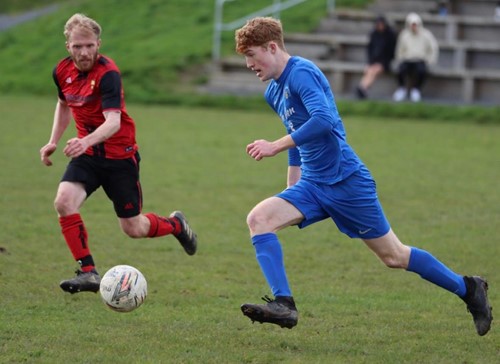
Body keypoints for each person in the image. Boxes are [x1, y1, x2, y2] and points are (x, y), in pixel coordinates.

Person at [234, 17, 492, 336]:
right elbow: (297, 132)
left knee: (394, 256)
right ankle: (283, 304)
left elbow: (323, 120)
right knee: (259, 219)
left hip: (346, 182)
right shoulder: (272, 92)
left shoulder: (301, 72)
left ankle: (468, 289)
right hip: (313, 185)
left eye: (252, 55)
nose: (248, 64)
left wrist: (274, 146)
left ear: (272, 47)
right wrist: (292, 183)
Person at [39, 13, 198, 294]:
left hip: (119, 157)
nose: (84, 52)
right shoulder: (61, 71)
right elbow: (64, 104)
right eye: (78, 46)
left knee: (133, 228)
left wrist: (85, 141)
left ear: (98, 43)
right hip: (87, 154)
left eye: (89, 45)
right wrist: (53, 140)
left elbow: (112, 121)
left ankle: (176, 225)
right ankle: (88, 272)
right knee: (64, 201)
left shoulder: (107, 73)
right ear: (68, 46)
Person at [392, 13, 439, 102]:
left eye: (415, 24)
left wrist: (430, 60)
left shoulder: (426, 34)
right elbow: (399, 49)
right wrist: (400, 59)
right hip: (407, 59)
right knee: (400, 70)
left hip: (420, 59)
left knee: (421, 71)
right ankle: (402, 89)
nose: (414, 27)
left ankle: (416, 90)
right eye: (412, 24)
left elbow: (433, 48)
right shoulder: (404, 35)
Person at [355, 15, 396, 99]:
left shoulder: (390, 35)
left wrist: (382, 62)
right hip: (374, 61)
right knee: (370, 70)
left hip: (385, 62)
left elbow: (391, 52)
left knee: (374, 70)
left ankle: (363, 88)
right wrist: (370, 62)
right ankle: (362, 88)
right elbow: (370, 50)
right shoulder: (374, 34)